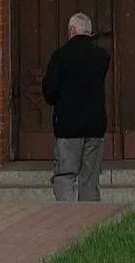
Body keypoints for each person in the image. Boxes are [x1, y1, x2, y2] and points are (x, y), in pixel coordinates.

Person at [41, 11, 112, 201]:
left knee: (65, 175)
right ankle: (89, 221)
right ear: (89, 32)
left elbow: (50, 90)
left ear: (72, 30)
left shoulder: (60, 56)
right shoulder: (101, 57)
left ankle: (67, 217)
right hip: (95, 125)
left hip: (68, 126)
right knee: (90, 178)